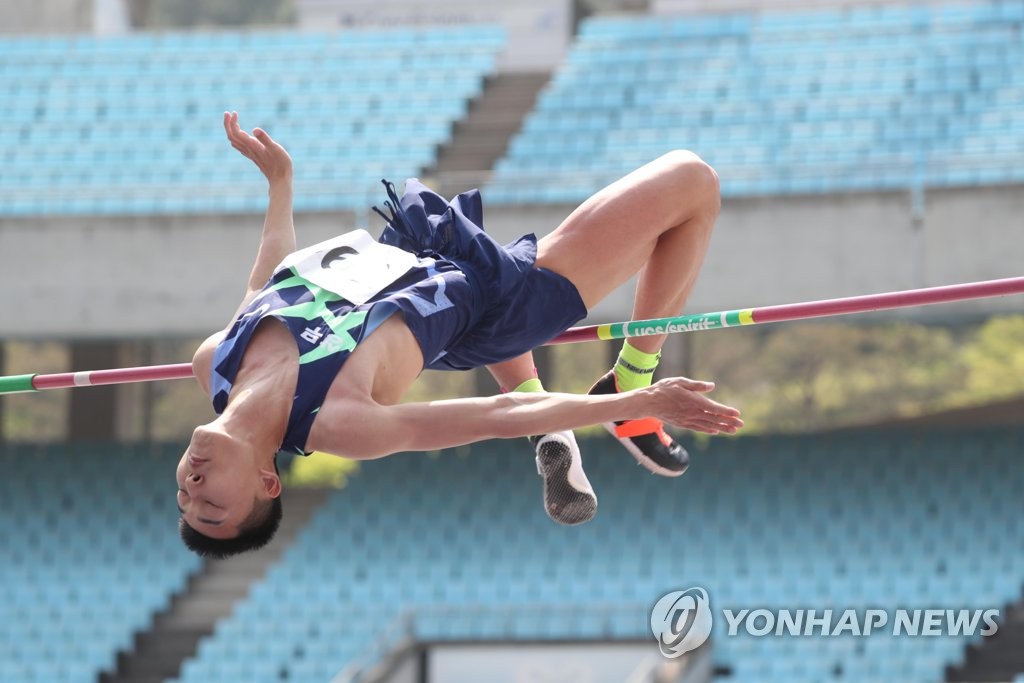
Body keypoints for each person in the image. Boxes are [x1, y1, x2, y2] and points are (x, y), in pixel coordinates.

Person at [177, 112, 743, 558]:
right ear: (265, 483)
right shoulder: (341, 424)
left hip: (426, 260)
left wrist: (281, 185)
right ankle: (629, 385)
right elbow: (492, 419)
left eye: (183, 495)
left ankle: (542, 404)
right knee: (692, 182)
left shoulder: (215, 362)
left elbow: (267, 285)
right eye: (211, 506)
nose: (193, 488)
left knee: (652, 219)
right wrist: (643, 397)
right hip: (497, 304)